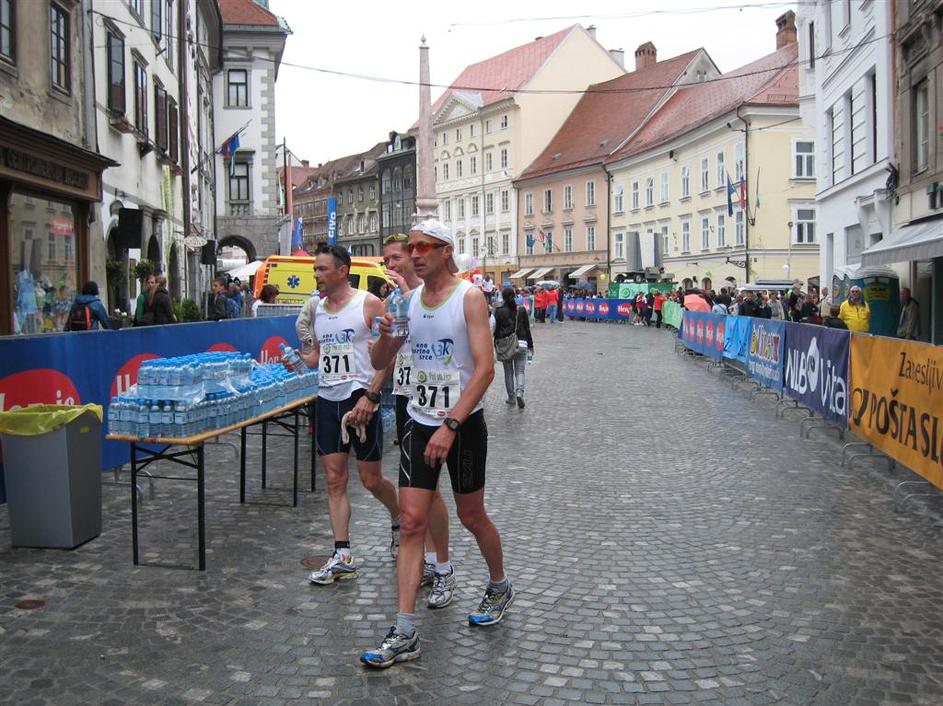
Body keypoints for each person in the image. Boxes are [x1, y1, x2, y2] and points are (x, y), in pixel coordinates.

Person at [364, 219, 511, 669]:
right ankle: (405, 630)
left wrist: (451, 424)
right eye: (411, 247)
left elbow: (485, 369)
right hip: (418, 419)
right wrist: (386, 336)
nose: (414, 254)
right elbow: (380, 359)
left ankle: (499, 585)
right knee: (411, 523)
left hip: (462, 424)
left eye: (424, 246)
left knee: (471, 515)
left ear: (446, 251)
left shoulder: (469, 297)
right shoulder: (406, 301)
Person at [300, 245, 401, 585]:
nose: (316, 275)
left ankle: (398, 517)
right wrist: (300, 360)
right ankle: (342, 554)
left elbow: (388, 354)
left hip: (360, 398)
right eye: (315, 269)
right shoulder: (317, 308)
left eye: (322, 269)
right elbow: (318, 356)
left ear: (342, 271)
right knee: (334, 478)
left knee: (371, 480)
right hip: (328, 399)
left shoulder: (368, 304)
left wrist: (372, 396)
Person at [381, 232, 455, 609]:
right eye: (387, 261)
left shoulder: (437, 297)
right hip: (406, 396)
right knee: (417, 496)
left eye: (397, 258)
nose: (391, 265)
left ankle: (442, 565)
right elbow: (385, 355)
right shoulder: (396, 301)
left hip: (440, 404)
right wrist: (371, 392)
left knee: (437, 494)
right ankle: (426, 563)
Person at [494, 286, 533, 408]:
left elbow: (496, 329)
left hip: (506, 345)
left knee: (508, 371)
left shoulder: (499, 311)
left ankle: (511, 398)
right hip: (522, 342)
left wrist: (495, 343)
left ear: (503, 297)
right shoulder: (522, 309)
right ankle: (520, 392)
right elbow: (527, 328)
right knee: (520, 371)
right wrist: (531, 345)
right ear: (515, 296)